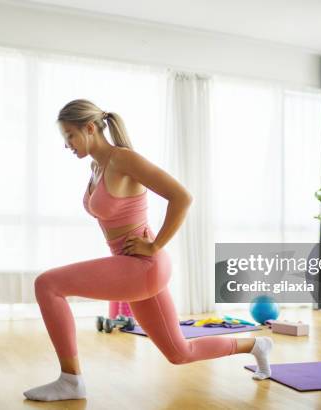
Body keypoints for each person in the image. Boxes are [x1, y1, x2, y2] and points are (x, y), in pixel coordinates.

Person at [23, 99, 274, 401]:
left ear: (89, 128)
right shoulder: (96, 167)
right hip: (133, 267)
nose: (67, 145)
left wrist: (155, 244)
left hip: (143, 266)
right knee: (180, 352)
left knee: (47, 284)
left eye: (70, 136)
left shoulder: (123, 159)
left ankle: (70, 380)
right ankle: (257, 346)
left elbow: (182, 197)